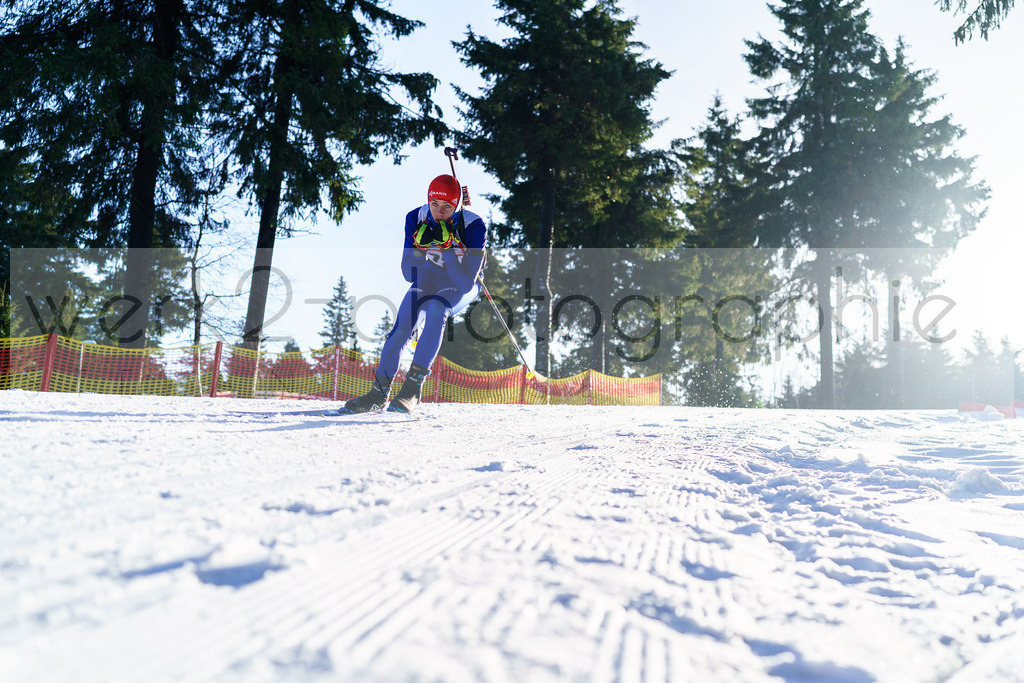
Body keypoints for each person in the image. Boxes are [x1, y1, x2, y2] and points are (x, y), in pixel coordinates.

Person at [341, 174, 488, 414]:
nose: (439, 212)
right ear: (428, 200)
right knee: (402, 326)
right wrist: (419, 250)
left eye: (447, 207)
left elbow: (464, 283)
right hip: (429, 277)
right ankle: (378, 393)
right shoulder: (416, 217)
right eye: (434, 204)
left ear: (457, 206)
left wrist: (448, 249)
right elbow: (408, 273)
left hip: (461, 283)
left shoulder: (474, 226)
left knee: (437, 308)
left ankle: (412, 389)